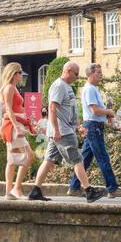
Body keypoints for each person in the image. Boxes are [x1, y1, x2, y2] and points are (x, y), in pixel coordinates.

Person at [27, 61, 104, 202]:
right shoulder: (58, 86)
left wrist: (77, 127)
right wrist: (56, 130)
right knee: (77, 159)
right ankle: (89, 191)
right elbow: (52, 108)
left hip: (63, 130)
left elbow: (68, 111)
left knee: (49, 160)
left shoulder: (66, 86)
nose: (77, 77)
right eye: (75, 74)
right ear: (68, 70)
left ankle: (35, 191)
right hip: (62, 132)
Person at [68, 63, 121, 199]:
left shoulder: (93, 89)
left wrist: (108, 116)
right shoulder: (89, 89)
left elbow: (98, 110)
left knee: (85, 159)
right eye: (98, 73)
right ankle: (112, 188)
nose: (101, 75)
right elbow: (94, 110)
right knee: (102, 157)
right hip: (93, 126)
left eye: (101, 72)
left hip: (94, 126)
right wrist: (109, 111)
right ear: (90, 74)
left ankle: (74, 187)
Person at [0, 62, 36, 199]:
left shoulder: (13, 88)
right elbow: (8, 110)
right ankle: (17, 189)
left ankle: (9, 192)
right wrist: (16, 127)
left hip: (15, 125)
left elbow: (17, 109)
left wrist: (28, 121)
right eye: (20, 72)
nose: (22, 74)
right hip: (12, 127)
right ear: (13, 74)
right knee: (30, 155)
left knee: (12, 159)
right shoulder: (9, 88)